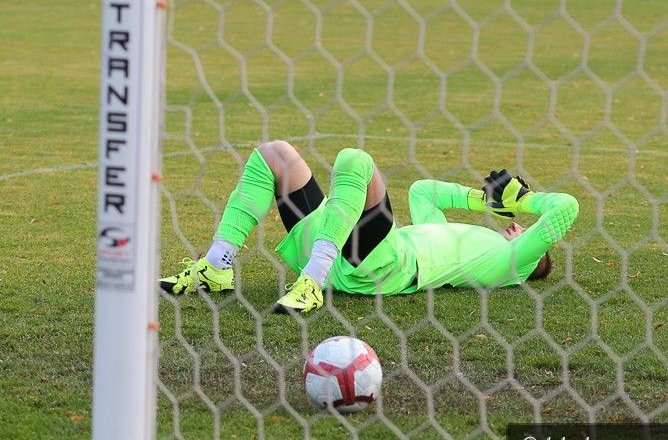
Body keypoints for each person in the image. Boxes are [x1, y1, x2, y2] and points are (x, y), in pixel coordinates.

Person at [159, 141, 579, 313]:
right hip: (348, 244)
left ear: (534, 255)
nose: (519, 229)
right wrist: (484, 200)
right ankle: (217, 266)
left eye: (528, 236)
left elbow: (566, 209)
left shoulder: (513, 263)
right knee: (274, 154)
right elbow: (423, 192)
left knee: (355, 160)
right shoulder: (464, 239)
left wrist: (527, 202)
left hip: (383, 265)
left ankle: (312, 281)